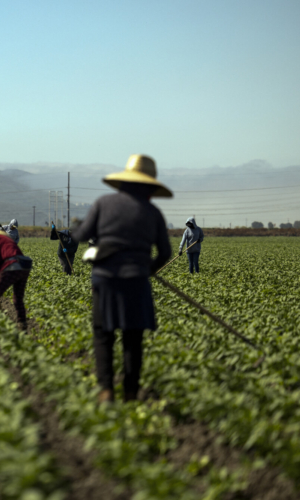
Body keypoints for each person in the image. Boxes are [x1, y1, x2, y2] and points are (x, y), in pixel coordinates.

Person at [73, 154, 172, 404]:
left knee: (103, 333)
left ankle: (106, 390)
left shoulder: (104, 203)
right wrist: (148, 269)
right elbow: (166, 253)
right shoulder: (153, 212)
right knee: (133, 337)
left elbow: (82, 235)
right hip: (136, 280)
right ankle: (130, 392)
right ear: (149, 186)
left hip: (105, 277)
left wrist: (76, 226)